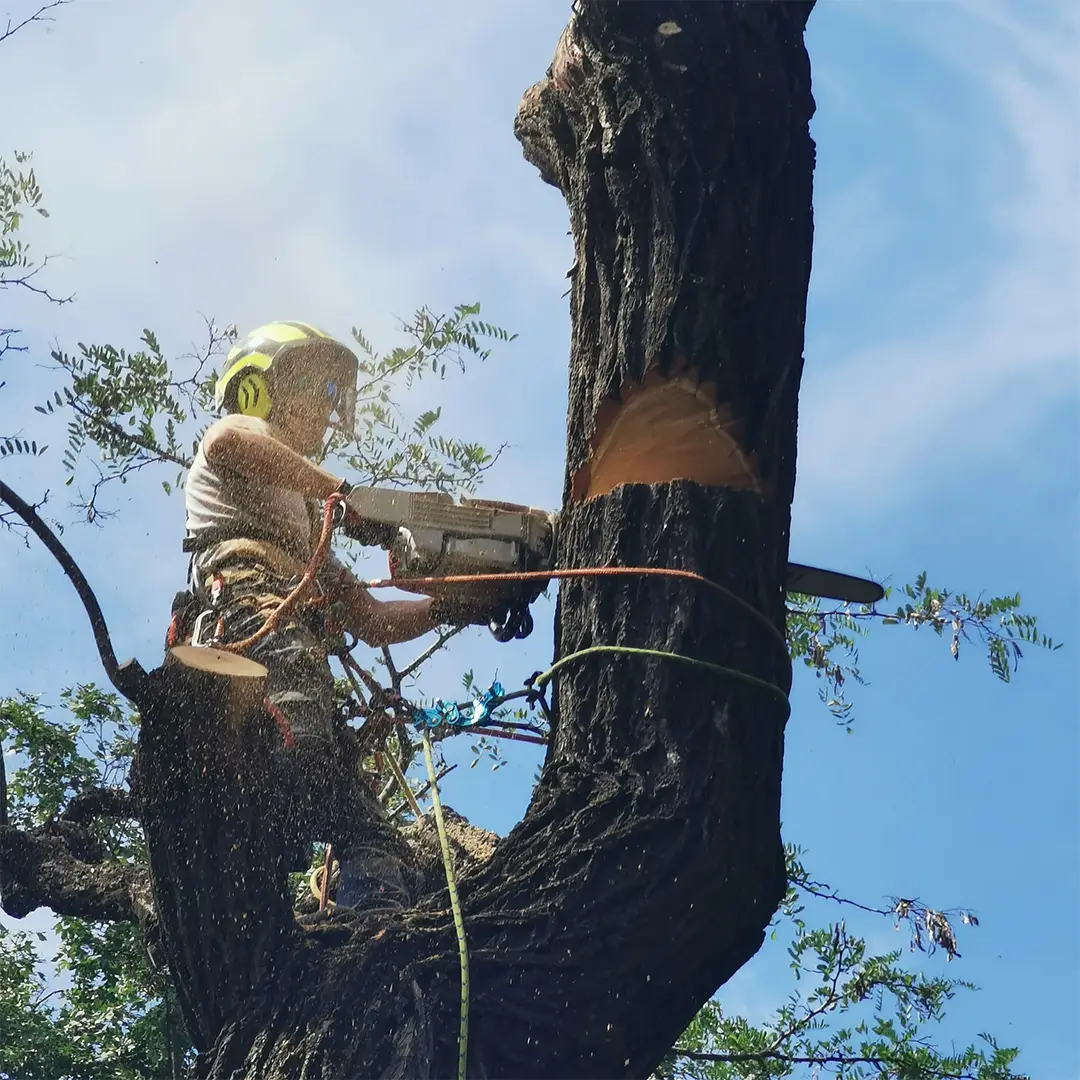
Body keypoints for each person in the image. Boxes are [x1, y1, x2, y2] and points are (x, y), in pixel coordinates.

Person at [180, 320, 490, 914]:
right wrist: (347, 498)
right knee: (299, 758)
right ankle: (257, 853)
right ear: (261, 387)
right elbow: (226, 443)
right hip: (248, 620)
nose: (326, 415)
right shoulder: (242, 432)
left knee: (368, 829)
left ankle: (366, 932)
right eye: (315, 392)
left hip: (290, 641)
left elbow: (371, 620)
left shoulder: (304, 512)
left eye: (332, 399)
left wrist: (454, 606)